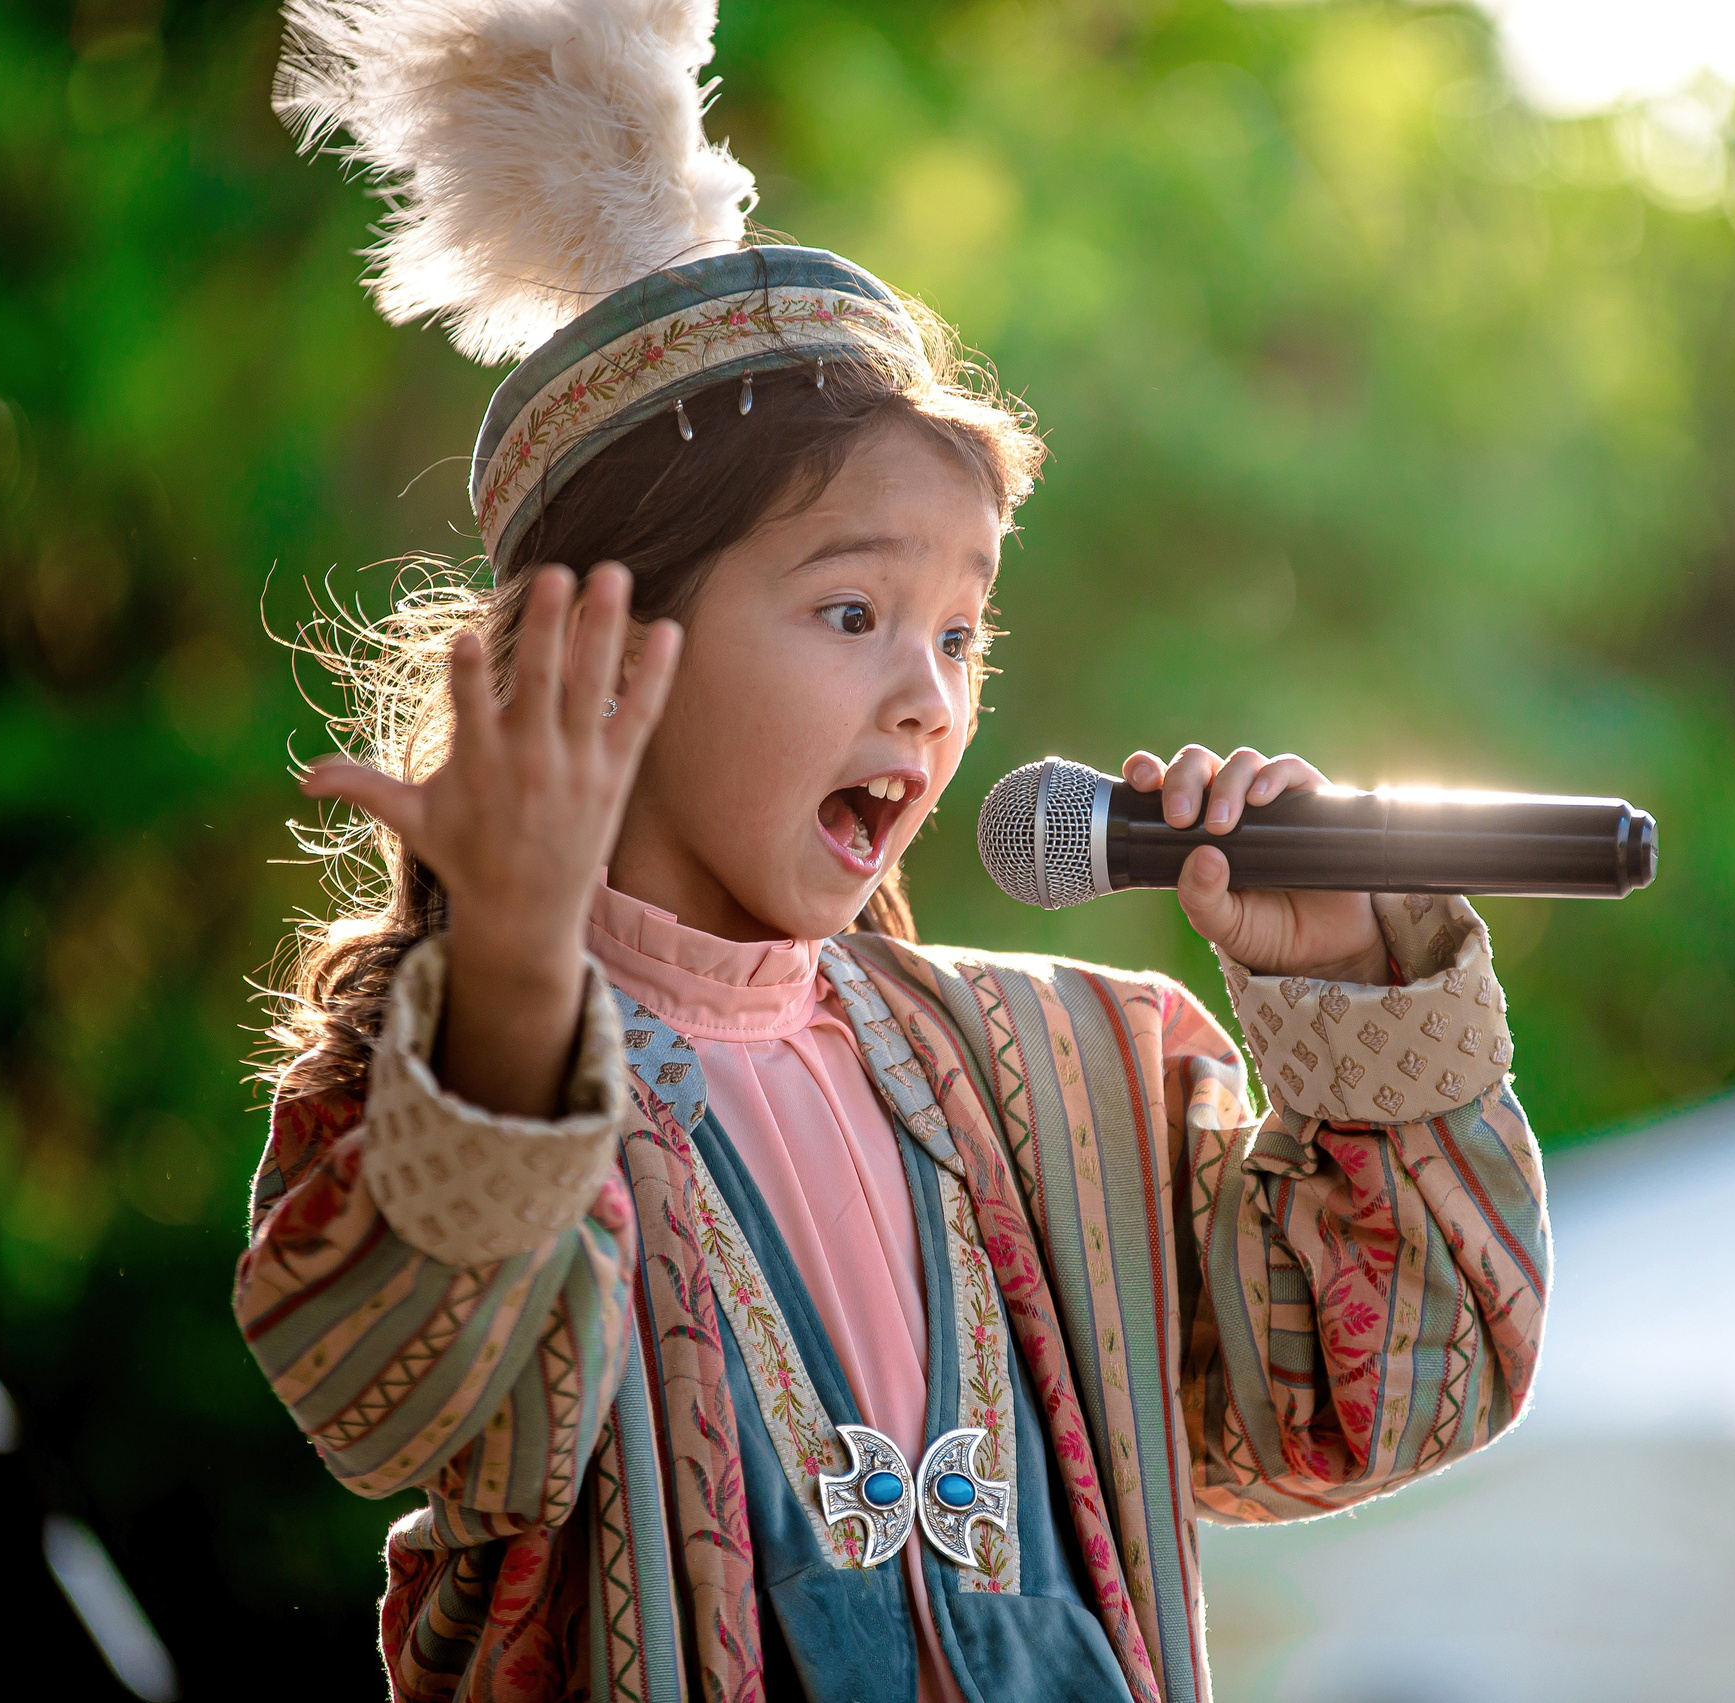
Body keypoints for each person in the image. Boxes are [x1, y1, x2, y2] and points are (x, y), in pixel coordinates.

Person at [236, 4, 1547, 1699]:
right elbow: (403, 1401)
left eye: (960, 634)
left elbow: (1376, 1403)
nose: (929, 698)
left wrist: (1355, 989)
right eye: (853, 612)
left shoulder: (1069, 1074)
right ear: (604, 656)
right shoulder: (443, 1071)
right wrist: (508, 977)